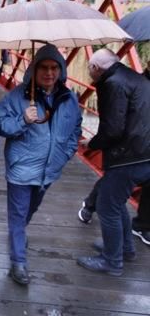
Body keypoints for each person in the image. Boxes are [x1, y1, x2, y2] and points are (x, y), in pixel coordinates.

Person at [0, 44, 82, 285]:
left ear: (61, 70)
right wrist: (23, 120)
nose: (49, 73)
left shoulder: (69, 99)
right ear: (33, 70)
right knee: (18, 213)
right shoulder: (17, 97)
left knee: (30, 210)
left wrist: (65, 154)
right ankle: (19, 263)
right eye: (43, 67)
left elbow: (75, 129)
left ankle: (18, 234)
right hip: (22, 169)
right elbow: (1, 125)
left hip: (49, 171)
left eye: (55, 67)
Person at [76, 49, 150, 276]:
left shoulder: (113, 84)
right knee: (117, 203)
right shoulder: (134, 77)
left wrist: (93, 144)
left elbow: (113, 129)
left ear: (96, 68)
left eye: (90, 69)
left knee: (107, 206)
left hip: (128, 156)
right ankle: (124, 248)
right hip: (143, 153)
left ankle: (112, 260)